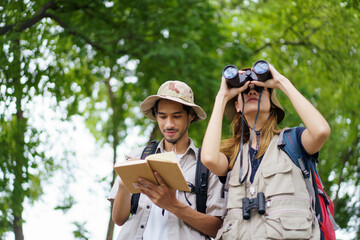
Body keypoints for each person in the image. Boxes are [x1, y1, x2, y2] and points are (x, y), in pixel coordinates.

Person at [201, 63, 330, 240]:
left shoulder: (293, 142)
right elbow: (208, 158)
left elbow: (321, 131)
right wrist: (222, 97)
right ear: (237, 105)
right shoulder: (234, 155)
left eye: (260, 89)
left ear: (272, 104)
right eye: (245, 90)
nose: (252, 91)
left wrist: (280, 81)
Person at [108, 80, 226, 240]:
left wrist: (172, 205)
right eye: (162, 116)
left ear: (191, 115)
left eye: (176, 116)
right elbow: (119, 219)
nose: (169, 124)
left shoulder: (208, 164)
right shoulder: (137, 156)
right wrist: (123, 185)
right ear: (155, 116)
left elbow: (218, 228)